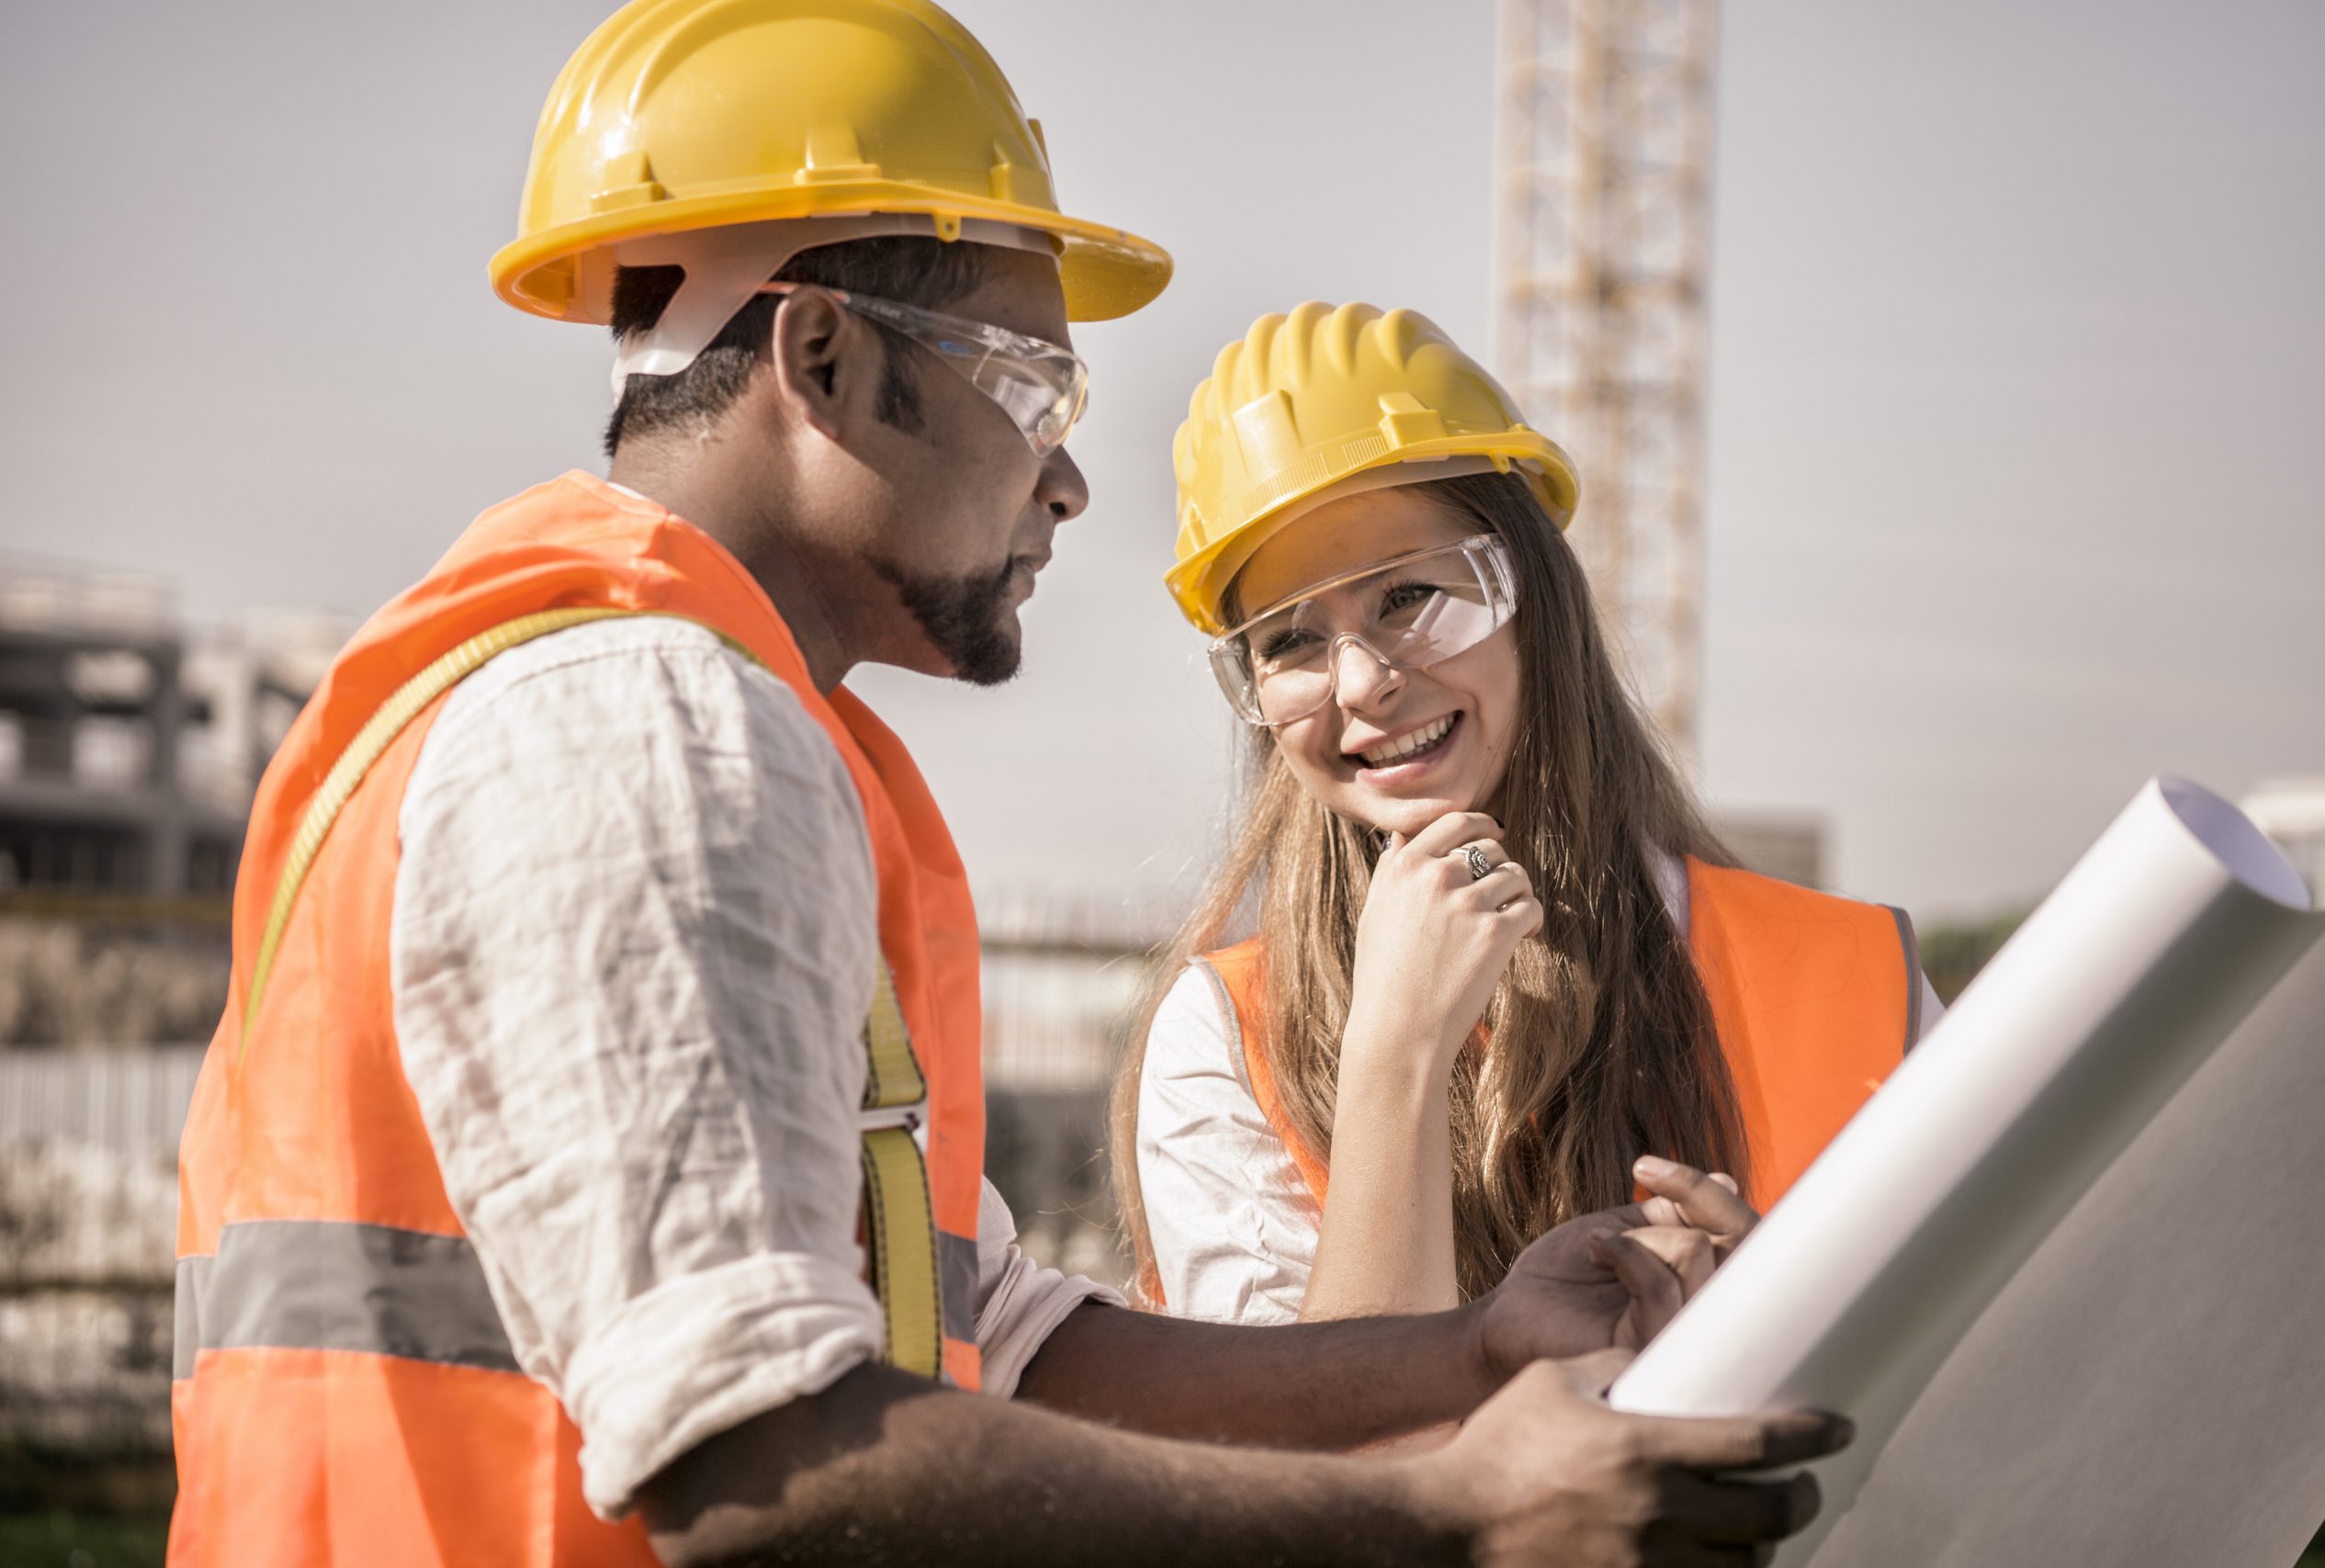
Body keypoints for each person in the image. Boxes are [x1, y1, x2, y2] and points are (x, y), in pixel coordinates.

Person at [167, 6, 1850, 1565]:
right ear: (820, 358)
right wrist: (1443, 1504)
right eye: (1030, 385)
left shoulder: (741, 725)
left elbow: (997, 1341)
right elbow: (752, 1455)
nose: (1066, 476)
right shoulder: (648, 724)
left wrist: (1462, 1349)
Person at [1118, 301, 1944, 1326]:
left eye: (1408, 596)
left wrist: (1780, 1331)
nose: (1365, 682)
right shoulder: (1226, 1043)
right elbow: (1321, 1468)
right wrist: (1395, 1057)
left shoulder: (1857, 980)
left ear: (1533, 603)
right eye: (1288, 640)